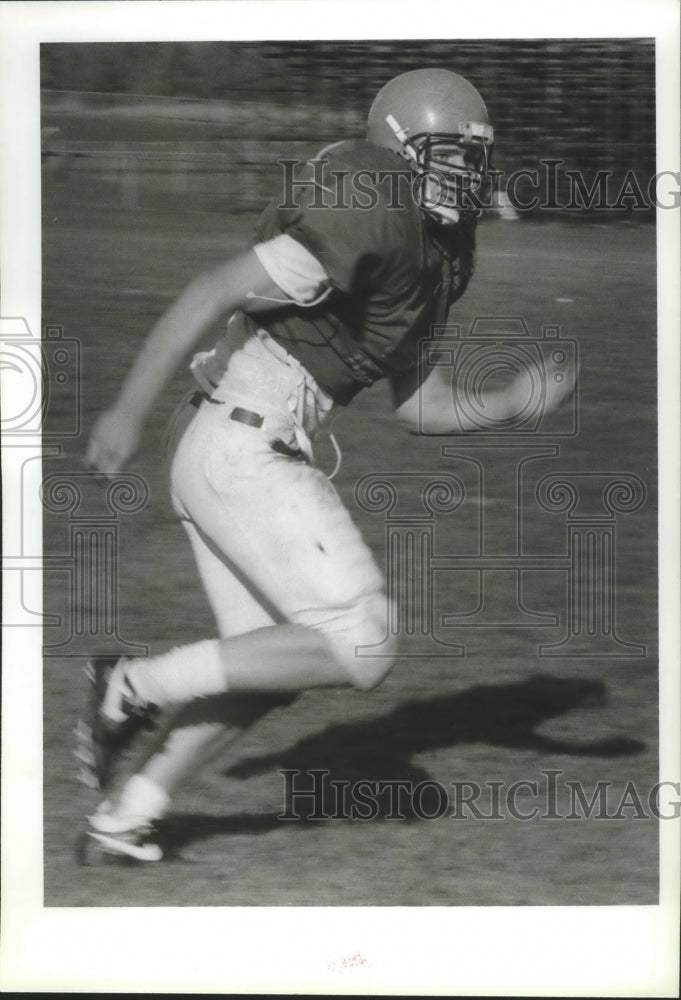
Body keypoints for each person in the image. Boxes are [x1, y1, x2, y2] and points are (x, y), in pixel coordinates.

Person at [76, 68, 574, 861]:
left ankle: (126, 815)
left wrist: (508, 406)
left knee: (271, 665)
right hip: (242, 431)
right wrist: (126, 409)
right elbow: (213, 289)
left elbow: (418, 405)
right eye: (452, 158)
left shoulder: (440, 251)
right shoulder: (370, 204)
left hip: (237, 437)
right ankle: (131, 685)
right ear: (401, 151)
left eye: (475, 161)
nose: (468, 177)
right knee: (363, 640)